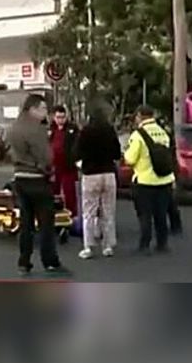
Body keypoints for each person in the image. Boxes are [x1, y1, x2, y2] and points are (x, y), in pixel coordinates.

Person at [7, 94, 68, 276]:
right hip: (37, 178)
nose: (45, 113)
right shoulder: (37, 129)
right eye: (42, 108)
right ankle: (50, 261)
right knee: (46, 223)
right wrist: (48, 168)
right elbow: (47, 156)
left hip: (20, 177)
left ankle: (24, 261)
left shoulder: (13, 127)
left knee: (26, 223)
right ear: (32, 109)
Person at [124, 105, 175, 255]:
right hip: (164, 179)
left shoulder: (138, 135)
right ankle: (162, 244)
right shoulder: (163, 132)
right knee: (161, 214)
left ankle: (145, 245)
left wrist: (126, 153)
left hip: (145, 181)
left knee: (145, 215)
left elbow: (130, 159)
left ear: (140, 116)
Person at [74, 102, 121, 259]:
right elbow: (117, 153)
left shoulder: (86, 131)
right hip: (108, 173)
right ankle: (108, 246)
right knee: (108, 211)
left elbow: (77, 153)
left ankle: (88, 247)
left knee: (89, 212)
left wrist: (81, 163)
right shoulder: (110, 130)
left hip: (90, 174)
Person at [49, 105, 80, 228]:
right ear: (54, 117)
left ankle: (72, 216)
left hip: (68, 166)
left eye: (62, 117)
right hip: (53, 167)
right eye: (58, 117)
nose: (60, 120)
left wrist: (74, 158)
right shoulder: (50, 129)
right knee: (53, 191)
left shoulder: (72, 129)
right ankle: (54, 215)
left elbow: (77, 144)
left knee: (69, 192)